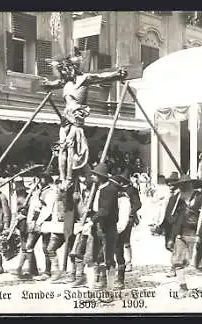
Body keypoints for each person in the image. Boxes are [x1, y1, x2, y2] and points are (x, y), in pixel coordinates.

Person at [41, 51, 128, 188]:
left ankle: (69, 178)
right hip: (66, 117)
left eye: (65, 70)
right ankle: (62, 177)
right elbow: (54, 83)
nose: (64, 73)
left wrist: (116, 74)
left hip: (76, 114)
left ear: (72, 68)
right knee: (62, 146)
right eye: (62, 71)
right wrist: (48, 84)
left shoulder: (84, 79)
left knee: (70, 146)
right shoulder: (65, 82)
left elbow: (100, 77)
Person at [13, 173, 54, 280]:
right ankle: (33, 271)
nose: (39, 181)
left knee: (46, 248)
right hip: (34, 223)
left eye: (41, 178)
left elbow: (47, 210)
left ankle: (47, 272)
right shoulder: (36, 193)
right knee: (28, 247)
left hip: (45, 222)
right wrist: (30, 221)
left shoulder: (51, 192)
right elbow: (31, 208)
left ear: (45, 179)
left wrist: (39, 222)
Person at [85, 162, 119, 290]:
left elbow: (105, 210)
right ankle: (97, 283)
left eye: (95, 175)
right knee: (96, 256)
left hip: (108, 227)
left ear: (101, 177)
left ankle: (110, 287)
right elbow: (95, 207)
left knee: (108, 258)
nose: (93, 177)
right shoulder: (97, 189)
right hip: (97, 227)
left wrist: (91, 220)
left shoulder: (110, 190)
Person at [165, 175, 199, 296]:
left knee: (197, 262)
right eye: (181, 185)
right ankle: (183, 287)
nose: (183, 188)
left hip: (195, 233)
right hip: (181, 234)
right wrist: (172, 236)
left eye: (185, 185)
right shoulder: (177, 200)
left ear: (190, 185)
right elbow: (174, 219)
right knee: (178, 261)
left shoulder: (199, 198)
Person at [109, 169, 142, 288]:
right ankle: (109, 278)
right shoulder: (110, 194)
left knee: (123, 245)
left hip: (127, 220)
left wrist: (131, 213)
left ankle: (126, 267)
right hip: (112, 226)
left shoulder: (130, 191)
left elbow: (138, 204)